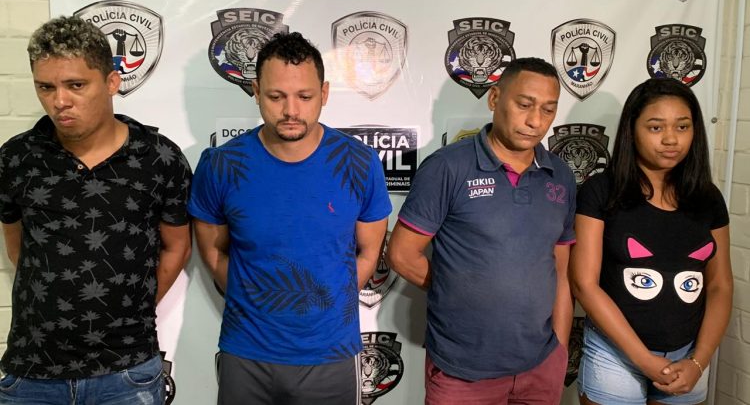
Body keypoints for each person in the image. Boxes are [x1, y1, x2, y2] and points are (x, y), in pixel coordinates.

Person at [188, 32, 391, 405]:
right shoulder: (221, 165)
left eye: (305, 96)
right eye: (276, 96)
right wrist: (256, 300)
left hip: (331, 355)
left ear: (324, 93)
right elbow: (213, 253)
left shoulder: (359, 163)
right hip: (246, 354)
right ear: (255, 91)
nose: (291, 110)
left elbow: (369, 252)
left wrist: (328, 301)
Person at [0, 16, 192, 404]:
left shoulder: (159, 158)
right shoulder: (17, 158)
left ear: (111, 82)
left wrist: (128, 309)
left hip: (127, 372)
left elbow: (177, 247)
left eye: (76, 85)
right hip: (33, 372)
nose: (59, 101)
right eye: (45, 87)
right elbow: (17, 245)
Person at [387, 57, 576, 404]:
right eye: (524, 105)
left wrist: (559, 352)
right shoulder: (448, 166)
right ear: (494, 98)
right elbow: (401, 254)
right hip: (462, 371)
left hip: (540, 367)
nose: (535, 121)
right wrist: (458, 286)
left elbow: (561, 272)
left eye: (548, 110)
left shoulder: (561, 175)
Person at [569, 77, 732, 404]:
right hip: (614, 353)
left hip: (688, 354)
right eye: (656, 127)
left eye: (683, 126)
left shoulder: (708, 198)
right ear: (632, 130)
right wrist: (644, 360)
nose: (671, 139)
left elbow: (720, 285)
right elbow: (584, 283)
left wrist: (698, 361)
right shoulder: (601, 191)